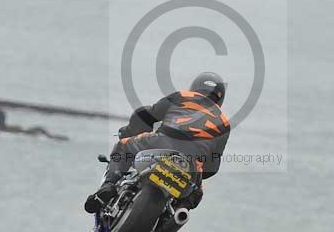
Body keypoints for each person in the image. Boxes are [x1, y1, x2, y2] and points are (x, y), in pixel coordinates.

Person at [85, 72, 231, 213]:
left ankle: (109, 185)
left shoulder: (183, 96)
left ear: (195, 87)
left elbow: (147, 115)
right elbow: (212, 165)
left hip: (161, 141)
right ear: (221, 98)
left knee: (123, 146)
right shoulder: (224, 123)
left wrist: (130, 132)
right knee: (195, 195)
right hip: (191, 162)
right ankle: (178, 215)